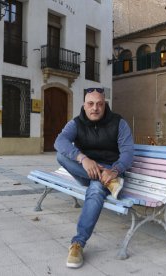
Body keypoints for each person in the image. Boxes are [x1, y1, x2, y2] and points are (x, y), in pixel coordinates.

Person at [54, 87, 134, 268]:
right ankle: (111, 183)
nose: (95, 108)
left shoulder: (119, 123)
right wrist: (83, 159)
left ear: (104, 105)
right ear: (84, 105)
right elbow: (60, 142)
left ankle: (78, 243)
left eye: (99, 104)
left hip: (111, 172)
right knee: (60, 155)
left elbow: (128, 152)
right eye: (90, 104)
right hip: (86, 172)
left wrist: (114, 170)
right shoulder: (76, 123)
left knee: (96, 188)